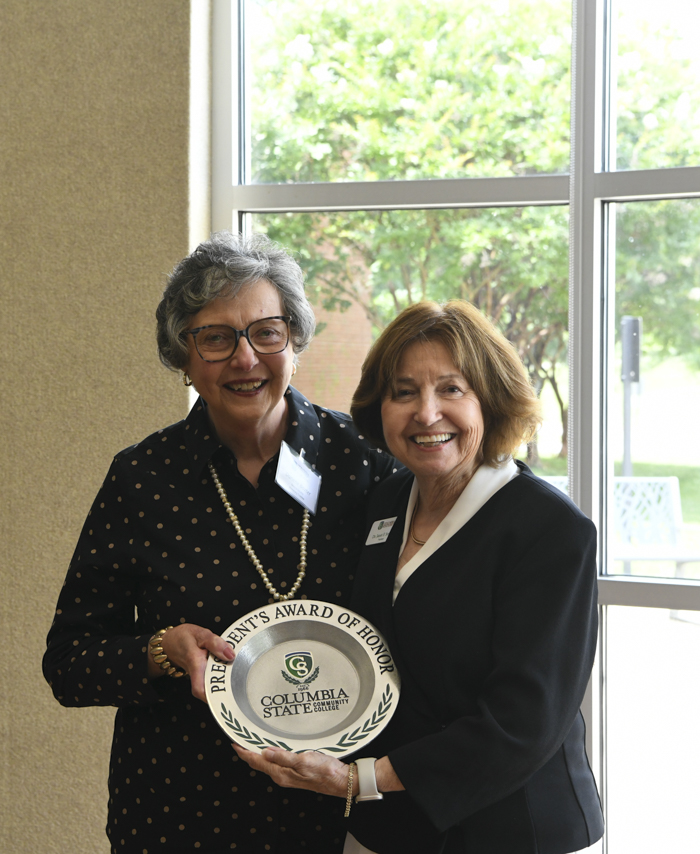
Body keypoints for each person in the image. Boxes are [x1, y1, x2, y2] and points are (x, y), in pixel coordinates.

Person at [42, 232, 397, 854]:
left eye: (267, 331)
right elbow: (69, 663)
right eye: (215, 338)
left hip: (335, 811)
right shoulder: (141, 478)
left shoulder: (365, 462)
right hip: (181, 813)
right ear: (183, 356)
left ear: (295, 340)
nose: (245, 358)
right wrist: (158, 651)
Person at [235, 300, 605, 854]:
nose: (426, 414)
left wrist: (360, 779)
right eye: (403, 392)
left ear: (491, 400)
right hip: (393, 825)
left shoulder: (549, 531)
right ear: (379, 408)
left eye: (452, 389)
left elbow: (522, 724)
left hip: (510, 827)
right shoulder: (385, 503)